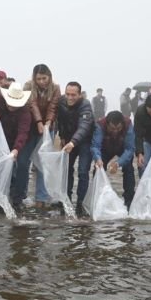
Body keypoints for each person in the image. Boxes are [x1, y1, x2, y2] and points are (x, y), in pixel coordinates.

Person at [0, 82, 33, 208]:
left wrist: (16, 150)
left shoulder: (25, 112)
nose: (12, 106)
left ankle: (17, 199)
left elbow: (23, 133)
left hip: (21, 142)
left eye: (15, 105)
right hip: (1, 139)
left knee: (21, 166)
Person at [17, 64, 61, 209]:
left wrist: (48, 123)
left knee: (43, 163)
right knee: (23, 161)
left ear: (49, 76)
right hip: (30, 126)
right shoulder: (28, 86)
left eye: (44, 78)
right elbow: (32, 104)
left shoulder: (55, 88)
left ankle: (41, 198)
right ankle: (20, 195)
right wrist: (38, 122)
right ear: (34, 78)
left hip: (49, 127)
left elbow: (53, 106)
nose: (42, 81)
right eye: (39, 79)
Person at [57, 81, 94, 212]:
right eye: (67, 94)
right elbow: (60, 121)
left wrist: (73, 142)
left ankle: (81, 203)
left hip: (85, 140)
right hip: (68, 140)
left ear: (79, 95)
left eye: (73, 95)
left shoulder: (85, 105)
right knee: (66, 170)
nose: (70, 97)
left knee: (83, 172)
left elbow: (84, 126)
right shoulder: (61, 102)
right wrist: (62, 137)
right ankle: (65, 200)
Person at [92, 110, 136, 208]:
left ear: (122, 124)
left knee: (129, 169)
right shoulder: (100, 125)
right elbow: (95, 146)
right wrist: (98, 159)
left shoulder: (128, 124)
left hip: (122, 148)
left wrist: (118, 163)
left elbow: (130, 148)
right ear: (107, 125)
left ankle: (129, 200)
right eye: (112, 128)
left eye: (118, 128)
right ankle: (97, 198)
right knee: (97, 169)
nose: (115, 131)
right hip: (105, 149)